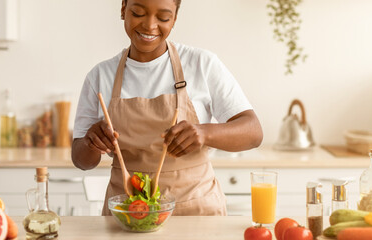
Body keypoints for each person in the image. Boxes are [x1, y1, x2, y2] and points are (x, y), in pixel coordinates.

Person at [72, 0, 263, 216]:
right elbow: (81, 160)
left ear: (174, 18)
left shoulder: (201, 63)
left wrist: (204, 132)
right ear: (123, 8)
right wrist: (91, 142)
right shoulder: (99, 76)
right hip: (128, 216)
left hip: (197, 215)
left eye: (163, 18)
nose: (150, 25)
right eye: (138, 13)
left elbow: (253, 132)